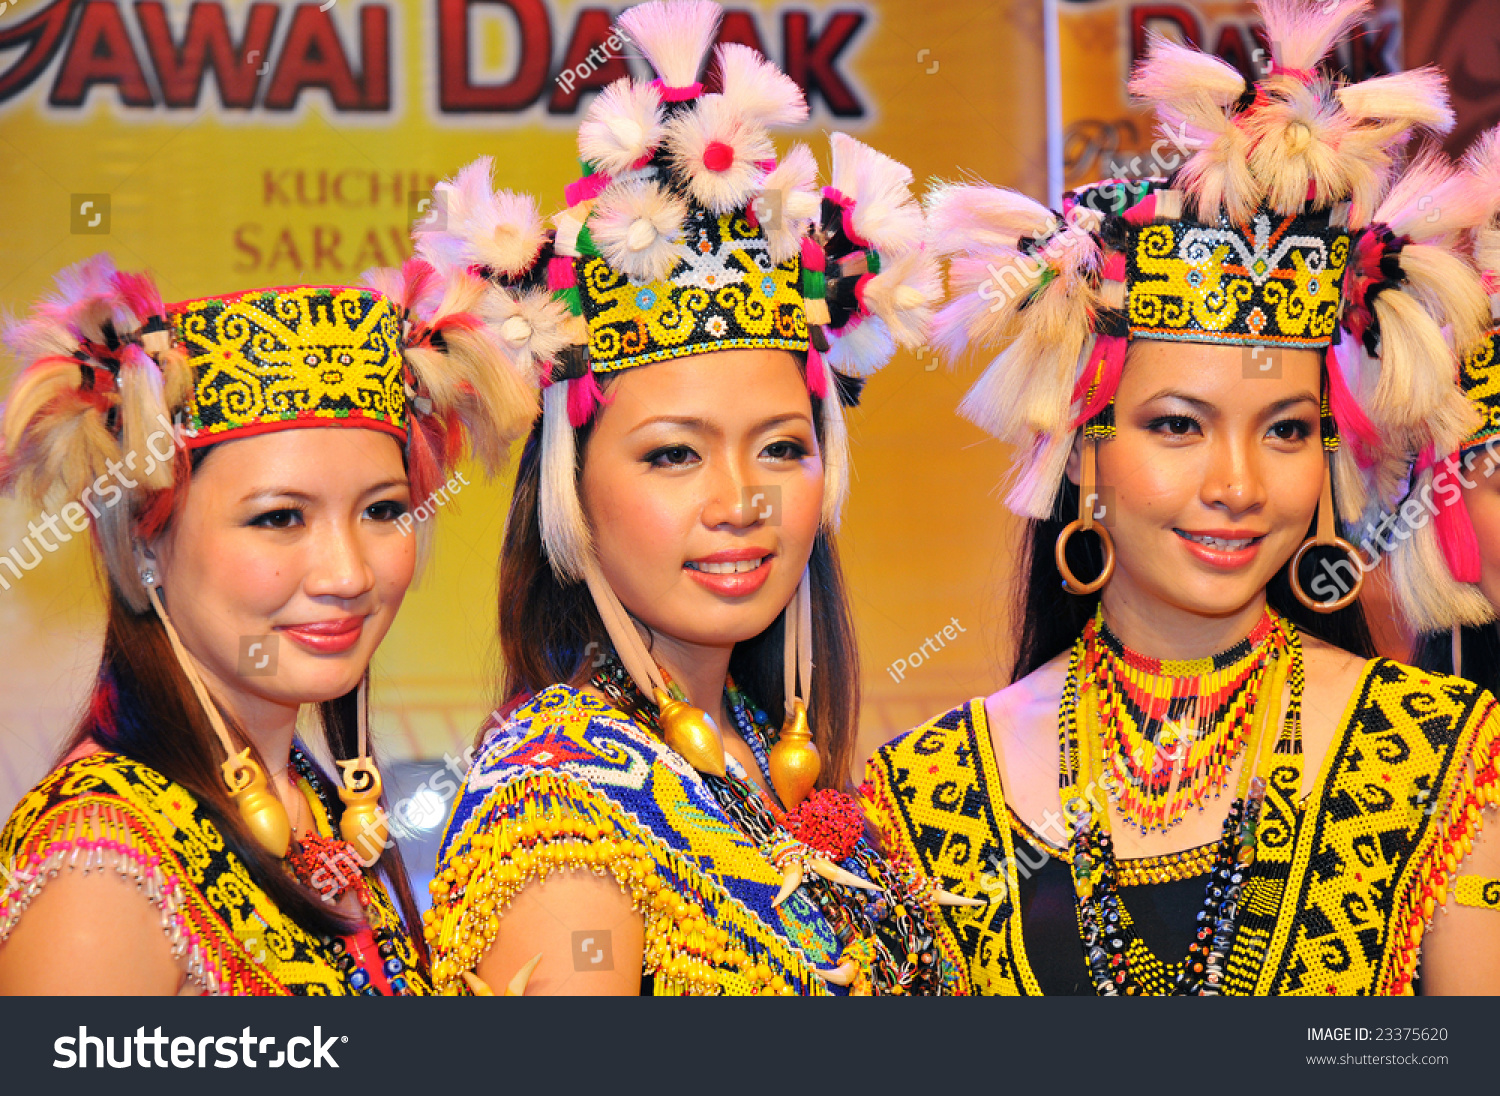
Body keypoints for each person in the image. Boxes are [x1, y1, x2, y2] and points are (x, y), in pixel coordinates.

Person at [864, 0, 1500, 995]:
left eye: (1285, 429)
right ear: (1082, 451)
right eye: (1178, 425)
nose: (1238, 485)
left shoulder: (1441, 759)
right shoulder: (927, 795)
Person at [420, 0, 962, 996]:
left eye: (781, 449)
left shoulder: (755, 750)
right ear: (570, 489)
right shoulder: (562, 814)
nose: (741, 500)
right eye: (675, 456)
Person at [0, 257, 526, 993]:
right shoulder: (100, 869)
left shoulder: (314, 803)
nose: (346, 574)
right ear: (146, 541)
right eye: (280, 518)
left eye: (382, 510)